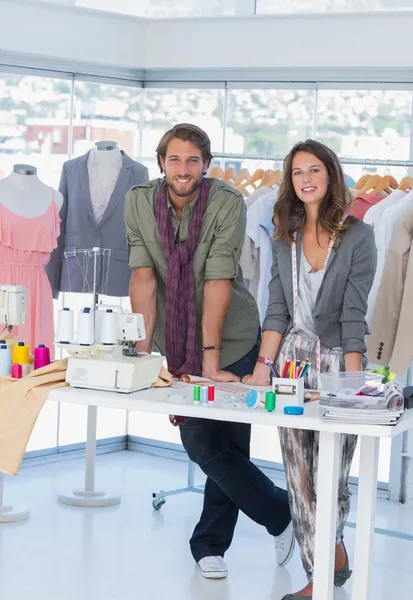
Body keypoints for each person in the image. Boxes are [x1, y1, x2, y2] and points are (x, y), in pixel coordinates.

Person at [124, 123, 293, 580]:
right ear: (161, 162)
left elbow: (218, 281)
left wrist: (212, 360)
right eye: (175, 159)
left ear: (206, 164)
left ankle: (210, 546)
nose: (183, 169)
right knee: (207, 446)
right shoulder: (139, 200)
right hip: (175, 340)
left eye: (193, 160)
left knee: (225, 446)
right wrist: (142, 353)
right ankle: (281, 513)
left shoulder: (226, 202)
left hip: (234, 338)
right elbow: (143, 277)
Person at [243, 139, 377, 599]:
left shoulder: (359, 235)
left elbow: (355, 316)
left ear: (331, 174)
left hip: (338, 363)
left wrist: (356, 388)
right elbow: (277, 309)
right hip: (291, 367)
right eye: (297, 172)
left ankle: (331, 553)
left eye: (314, 169)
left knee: (330, 475)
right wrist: (264, 369)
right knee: (298, 476)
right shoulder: (285, 233)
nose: (306, 179)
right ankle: (319, 577)